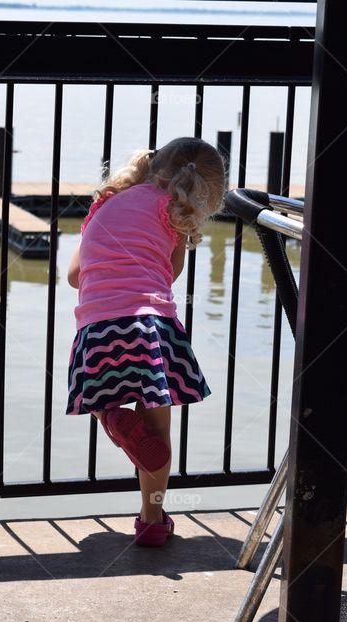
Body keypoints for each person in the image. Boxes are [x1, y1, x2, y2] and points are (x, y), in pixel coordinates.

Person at [66, 137, 225, 547]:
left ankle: (113, 418)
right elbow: (167, 276)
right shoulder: (174, 213)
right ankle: (152, 522)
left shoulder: (104, 204)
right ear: (205, 193)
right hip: (153, 327)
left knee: (102, 396)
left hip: (99, 326)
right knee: (157, 429)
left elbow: (73, 275)